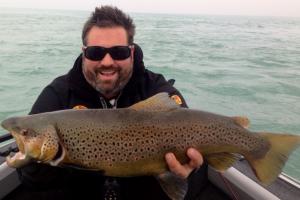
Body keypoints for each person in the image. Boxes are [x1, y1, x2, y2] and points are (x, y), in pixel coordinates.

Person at [14, 6, 208, 200]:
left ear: (131, 52)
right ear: (84, 53)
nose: (107, 61)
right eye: (96, 52)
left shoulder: (156, 88)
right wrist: (45, 164)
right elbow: (32, 182)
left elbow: (196, 135)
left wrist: (190, 170)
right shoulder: (57, 95)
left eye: (119, 52)